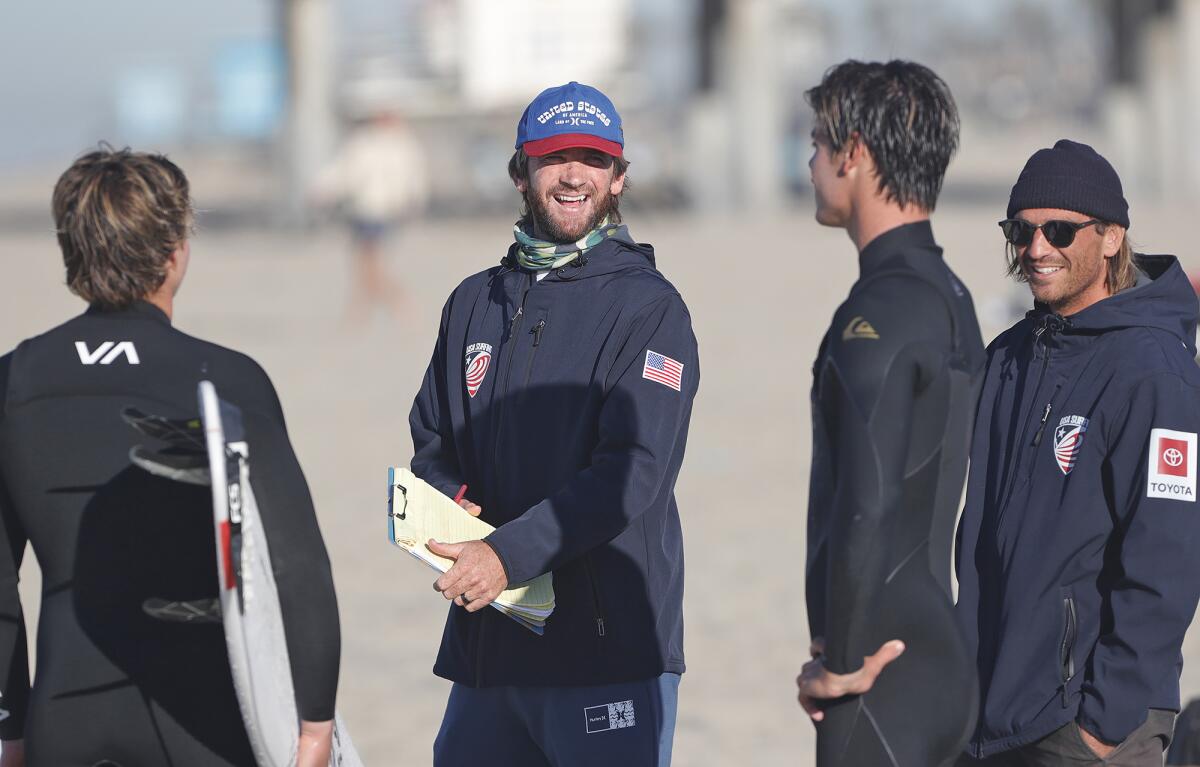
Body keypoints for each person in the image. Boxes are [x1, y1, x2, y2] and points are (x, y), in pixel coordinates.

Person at [0, 148, 341, 766]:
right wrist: (316, 723)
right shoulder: (228, 378)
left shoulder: (13, 382)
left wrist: (9, 731)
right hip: (204, 722)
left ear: (71, 252)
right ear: (176, 250)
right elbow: (298, 566)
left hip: (63, 719)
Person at [409, 81, 699, 767]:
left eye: (592, 159)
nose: (573, 175)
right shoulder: (474, 300)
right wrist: (452, 502)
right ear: (519, 172)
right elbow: (431, 434)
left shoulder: (650, 309)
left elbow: (634, 474)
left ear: (619, 177)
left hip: (606, 651)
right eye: (553, 157)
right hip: (490, 646)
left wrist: (508, 552)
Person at [953, 140, 1200, 766]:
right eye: (1021, 231)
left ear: (1112, 238)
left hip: (1090, 723)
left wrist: (1104, 723)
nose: (1037, 249)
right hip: (992, 707)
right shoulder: (1009, 357)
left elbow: (1167, 560)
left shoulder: (1155, 371)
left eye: (1061, 231)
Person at [796, 60, 985, 766]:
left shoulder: (880, 311)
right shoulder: (952, 297)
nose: (810, 158)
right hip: (941, 661)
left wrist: (840, 661)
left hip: (880, 674)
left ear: (856, 155)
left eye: (818, 141)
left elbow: (865, 503)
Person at [310, 106, 429, 323]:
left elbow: (414, 177)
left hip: (385, 211)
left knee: (369, 264)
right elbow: (345, 171)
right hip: (363, 209)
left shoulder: (403, 144)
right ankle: (362, 311)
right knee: (364, 265)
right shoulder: (364, 141)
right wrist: (324, 189)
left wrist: (413, 202)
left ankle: (396, 305)